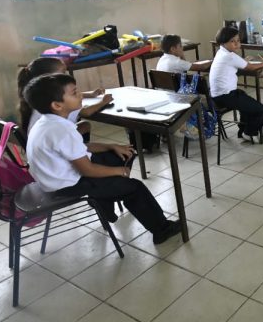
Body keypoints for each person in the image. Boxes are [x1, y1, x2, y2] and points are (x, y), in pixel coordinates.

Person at [23, 73, 182, 244]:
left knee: (124, 153)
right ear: (57, 105)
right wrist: (119, 171)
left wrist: (112, 146)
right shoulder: (61, 131)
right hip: (68, 185)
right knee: (135, 188)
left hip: (58, 178)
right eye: (74, 93)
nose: (80, 95)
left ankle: (105, 199)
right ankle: (161, 230)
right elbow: (87, 170)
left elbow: (80, 148)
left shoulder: (48, 123)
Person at [18, 57, 113, 138]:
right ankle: (80, 148)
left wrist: (90, 95)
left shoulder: (40, 95)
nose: (66, 75)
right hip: (52, 142)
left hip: (42, 141)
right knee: (84, 126)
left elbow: (65, 95)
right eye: (63, 72)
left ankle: (80, 147)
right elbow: (87, 112)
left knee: (84, 125)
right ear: (49, 77)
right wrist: (104, 102)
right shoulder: (58, 104)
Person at [210, 26, 263, 142]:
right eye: (232, 41)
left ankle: (243, 131)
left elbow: (238, 63)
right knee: (260, 110)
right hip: (226, 96)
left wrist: (243, 61)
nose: (237, 43)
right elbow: (251, 67)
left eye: (238, 40)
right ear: (223, 43)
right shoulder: (230, 56)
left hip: (217, 95)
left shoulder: (221, 52)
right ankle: (249, 132)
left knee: (244, 98)